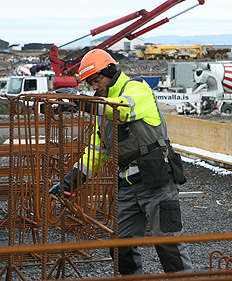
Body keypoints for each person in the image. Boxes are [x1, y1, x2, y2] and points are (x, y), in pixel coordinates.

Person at [49, 49, 192, 275]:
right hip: (127, 186)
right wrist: (70, 182)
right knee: (119, 246)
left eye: (97, 80)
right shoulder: (102, 110)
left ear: (111, 71)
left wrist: (82, 102)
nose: (94, 86)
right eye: (90, 83)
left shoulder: (137, 90)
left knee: (167, 244)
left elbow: (122, 111)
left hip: (156, 181)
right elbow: (97, 151)